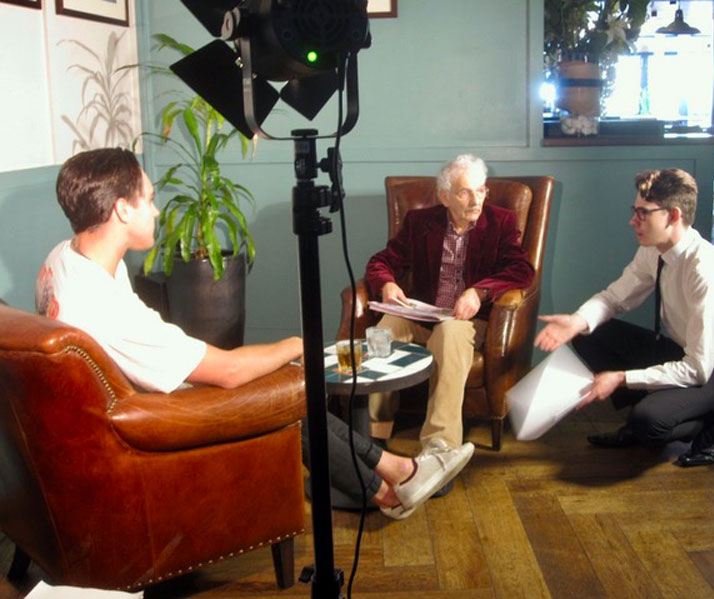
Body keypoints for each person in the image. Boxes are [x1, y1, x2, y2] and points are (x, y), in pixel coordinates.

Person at [34, 147, 473, 520]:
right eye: (148, 199)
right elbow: (226, 371)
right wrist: (296, 345)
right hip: (150, 419)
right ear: (121, 209)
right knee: (285, 393)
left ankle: (393, 476)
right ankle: (393, 481)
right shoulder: (105, 306)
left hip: (124, 405)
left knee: (286, 390)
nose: (156, 209)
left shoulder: (66, 258)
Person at [534, 168, 714, 467]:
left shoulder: (706, 270)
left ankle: (712, 420)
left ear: (673, 215)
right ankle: (657, 412)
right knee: (590, 333)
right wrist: (576, 321)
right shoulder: (654, 250)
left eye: (643, 213)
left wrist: (622, 378)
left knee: (649, 422)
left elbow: (698, 369)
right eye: (634, 211)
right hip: (683, 352)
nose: (633, 221)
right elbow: (615, 297)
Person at [365, 154, 534, 462]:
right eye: (465, 192)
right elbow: (381, 261)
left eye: (480, 190)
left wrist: (479, 292)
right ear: (444, 196)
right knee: (384, 331)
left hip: (467, 321)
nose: (476, 200)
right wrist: (387, 283)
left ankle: (440, 448)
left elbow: (521, 270)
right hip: (423, 313)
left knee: (449, 334)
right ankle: (375, 434)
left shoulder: (501, 222)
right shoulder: (420, 222)